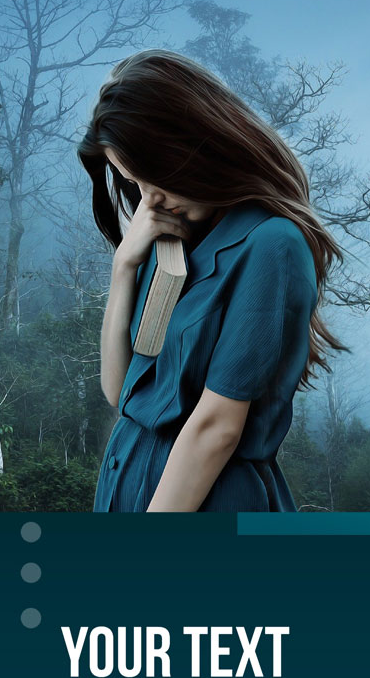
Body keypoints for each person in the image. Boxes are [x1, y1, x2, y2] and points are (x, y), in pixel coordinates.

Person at [78, 49, 348, 512]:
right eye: (136, 184)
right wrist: (124, 267)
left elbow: (217, 428)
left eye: (154, 178)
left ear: (194, 146)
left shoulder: (272, 244)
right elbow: (121, 393)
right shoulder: (173, 239)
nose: (150, 200)